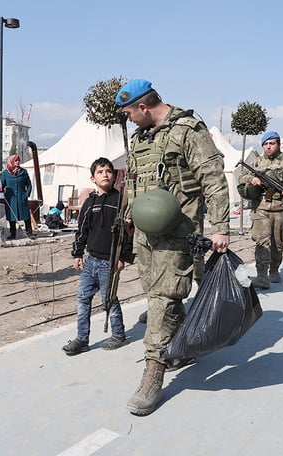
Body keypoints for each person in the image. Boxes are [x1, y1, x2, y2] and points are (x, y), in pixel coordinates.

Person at [115, 79, 230, 416]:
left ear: (144, 107)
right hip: (146, 236)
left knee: (163, 298)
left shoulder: (187, 131)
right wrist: (125, 220)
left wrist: (221, 228)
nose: (129, 120)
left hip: (178, 233)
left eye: (129, 114)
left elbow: (214, 179)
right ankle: (180, 347)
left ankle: (153, 373)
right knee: (158, 294)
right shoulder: (140, 138)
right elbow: (132, 182)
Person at [62, 157, 131, 356]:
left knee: (109, 300)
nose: (105, 174)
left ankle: (119, 334)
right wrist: (77, 253)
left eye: (109, 171)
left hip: (109, 262)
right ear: (93, 178)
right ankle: (82, 339)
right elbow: (82, 230)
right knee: (83, 298)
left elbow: (126, 233)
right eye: (100, 172)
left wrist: (122, 257)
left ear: (114, 175)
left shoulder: (120, 200)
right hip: (90, 260)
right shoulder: (89, 202)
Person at [238, 131, 283, 289]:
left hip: (280, 209)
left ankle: (274, 269)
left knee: (277, 243)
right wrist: (252, 179)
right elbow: (242, 177)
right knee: (262, 241)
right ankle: (261, 275)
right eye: (266, 144)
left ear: (279, 144)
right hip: (260, 208)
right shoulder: (257, 162)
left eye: (271, 143)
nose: (268, 146)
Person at [0, 154, 35, 240]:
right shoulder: (5, 173)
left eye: (18, 160)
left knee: (26, 216)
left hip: (22, 197)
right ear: (11, 162)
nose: (18, 162)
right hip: (11, 198)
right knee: (12, 217)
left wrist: (26, 194)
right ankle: (13, 234)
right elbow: (1, 185)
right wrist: (3, 194)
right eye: (16, 160)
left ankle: (29, 233)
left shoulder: (23, 172)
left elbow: (29, 184)